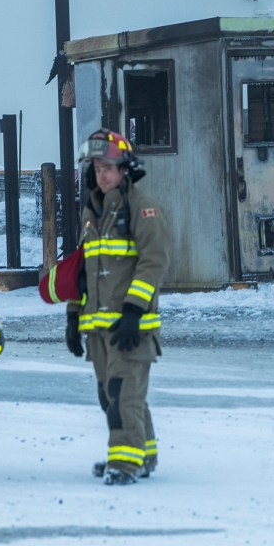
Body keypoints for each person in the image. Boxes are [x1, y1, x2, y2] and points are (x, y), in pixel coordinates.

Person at [66, 129, 170, 486]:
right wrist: (73, 317)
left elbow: (154, 261)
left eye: (109, 167)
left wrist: (133, 311)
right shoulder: (93, 213)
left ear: (125, 169)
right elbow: (85, 272)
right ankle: (143, 455)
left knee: (123, 394)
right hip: (98, 328)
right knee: (115, 396)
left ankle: (123, 464)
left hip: (131, 328)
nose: (102, 175)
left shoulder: (142, 207)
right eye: (97, 168)